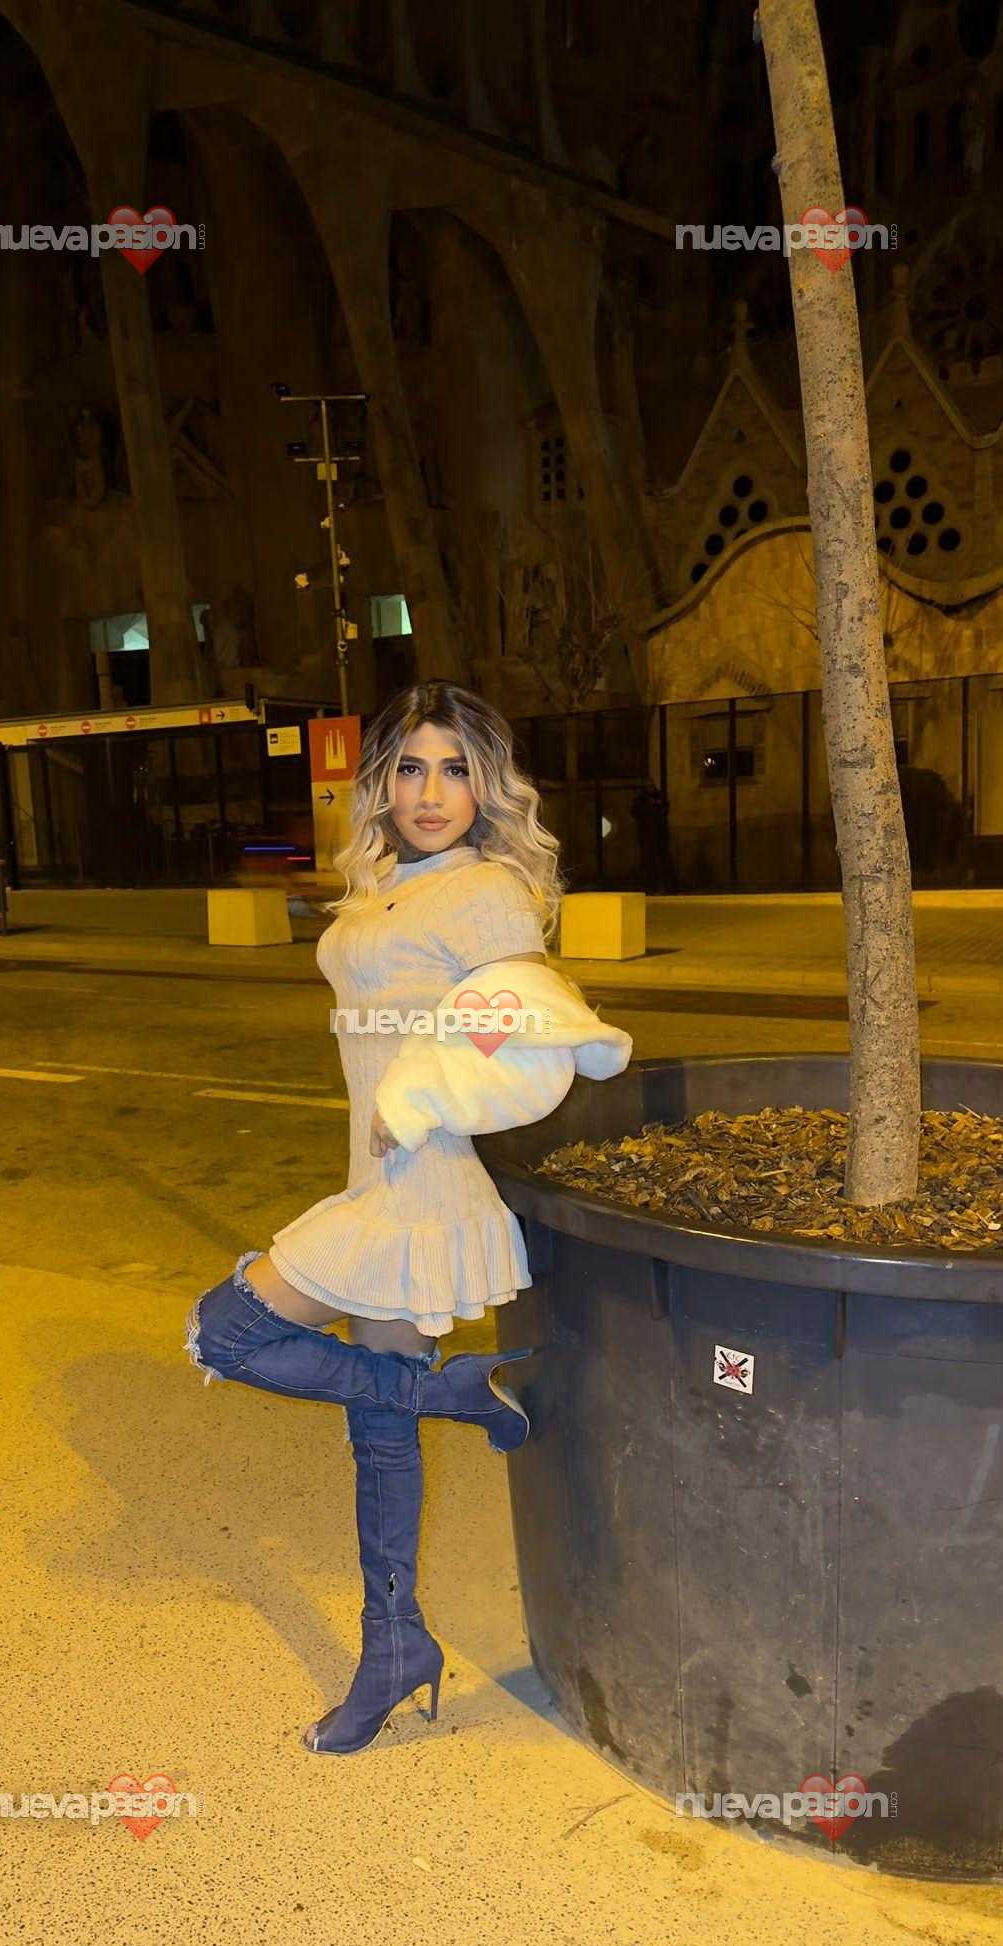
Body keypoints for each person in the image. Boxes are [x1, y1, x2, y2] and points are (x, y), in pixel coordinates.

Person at [183, 681, 632, 1756]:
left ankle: (449, 1400)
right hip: (371, 1179)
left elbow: (536, 1038)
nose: (433, 793)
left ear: (489, 786)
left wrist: (420, 1100)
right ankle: (395, 1641)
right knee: (377, 1439)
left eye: (458, 769)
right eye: (412, 768)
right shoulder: (388, 882)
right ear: (381, 780)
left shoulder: (488, 893)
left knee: (223, 1332)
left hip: (422, 1181)